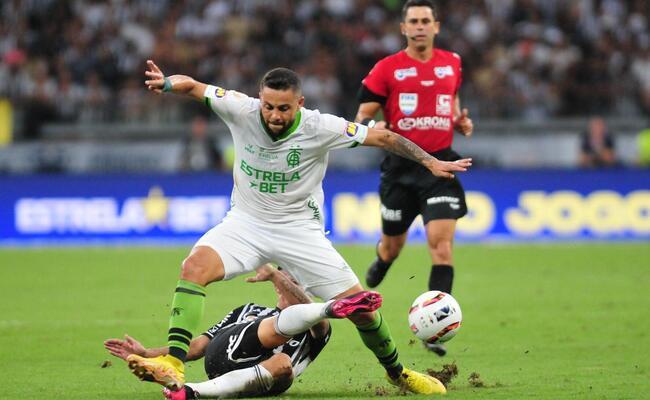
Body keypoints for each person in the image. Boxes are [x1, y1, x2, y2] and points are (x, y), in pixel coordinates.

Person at [128, 58, 471, 395]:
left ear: (300, 104)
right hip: (245, 224)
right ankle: (173, 363)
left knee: (363, 310)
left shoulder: (321, 127)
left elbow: (384, 138)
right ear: (260, 100)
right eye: (269, 107)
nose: (275, 115)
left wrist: (429, 160)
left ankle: (399, 374)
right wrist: (168, 84)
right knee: (194, 267)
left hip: (300, 231)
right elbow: (194, 86)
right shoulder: (240, 108)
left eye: (284, 108)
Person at [355, 0, 474, 356]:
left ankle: (436, 326)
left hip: (442, 167)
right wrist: (370, 127)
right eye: (414, 21)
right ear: (403, 28)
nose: (420, 26)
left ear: (436, 26)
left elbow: (450, 100)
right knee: (393, 245)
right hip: (400, 171)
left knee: (441, 245)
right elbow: (359, 118)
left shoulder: (452, 62)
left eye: (426, 20)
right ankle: (383, 260)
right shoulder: (386, 69)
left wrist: (459, 120)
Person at [105, 264, 382, 399]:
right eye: (285, 280)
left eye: (296, 282)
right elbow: (200, 345)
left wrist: (278, 275)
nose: (289, 285)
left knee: (285, 362)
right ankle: (333, 306)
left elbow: (318, 325)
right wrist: (148, 353)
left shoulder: (318, 330)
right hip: (221, 357)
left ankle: (188, 392)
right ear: (276, 285)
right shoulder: (248, 309)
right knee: (273, 329)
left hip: (265, 379)